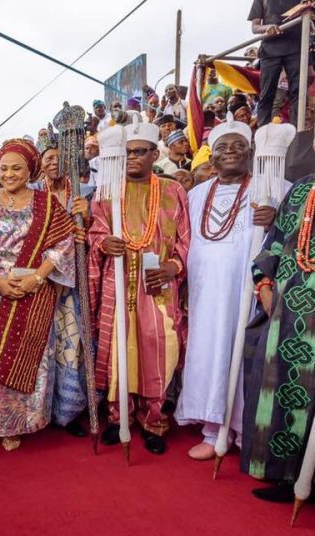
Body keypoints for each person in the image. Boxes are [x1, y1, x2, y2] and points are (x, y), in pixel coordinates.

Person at [175, 118, 282, 461]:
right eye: (222, 146)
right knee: (210, 356)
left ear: (251, 152)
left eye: (238, 145)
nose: (231, 151)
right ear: (212, 157)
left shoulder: (273, 186)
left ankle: (243, 432)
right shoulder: (195, 194)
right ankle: (211, 428)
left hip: (251, 293)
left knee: (247, 357)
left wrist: (275, 216)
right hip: (207, 296)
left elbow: (297, 232)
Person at [88, 119, 191, 455]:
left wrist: (171, 267)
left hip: (157, 287)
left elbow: (186, 241)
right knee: (120, 349)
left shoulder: (174, 190)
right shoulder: (108, 191)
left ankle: (154, 421)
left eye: (139, 152)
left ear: (154, 153)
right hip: (117, 284)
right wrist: (104, 244)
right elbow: (95, 234)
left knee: (156, 350)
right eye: (128, 152)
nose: (132, 157)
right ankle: (119, 419)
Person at [0, 138, 75, 451]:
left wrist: (37, 279)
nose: (9, 174)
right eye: (3, 168)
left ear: (30, 169)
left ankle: (18, 424)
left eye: (16, 168)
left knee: (33, 357)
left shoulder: (47, 203)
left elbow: (63, 245)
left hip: (34, 289)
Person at [241, 133, 315, 503]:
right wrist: (265, 286)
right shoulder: (301, 190)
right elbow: (274, 242)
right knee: (281, 391)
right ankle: (287, 476)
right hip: (286, 313)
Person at [31, 130, 90, 435]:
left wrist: (87, 218)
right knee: (39, 345)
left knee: (72, 344)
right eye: (48, 158)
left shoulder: (83, 192)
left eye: (59, 157)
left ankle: (68, 412)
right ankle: (37, 410)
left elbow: (93, 237)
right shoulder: (31, 194)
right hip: (39, 282)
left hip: (72, 285)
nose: (54, 163)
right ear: (40, 163)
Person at [248, 0, 303, 127]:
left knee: (298, 93)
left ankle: (297, 133)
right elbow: (255, 27)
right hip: (270, 50)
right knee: (267, 93)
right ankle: (263, 133)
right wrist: (267, 27)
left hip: (296, 48)